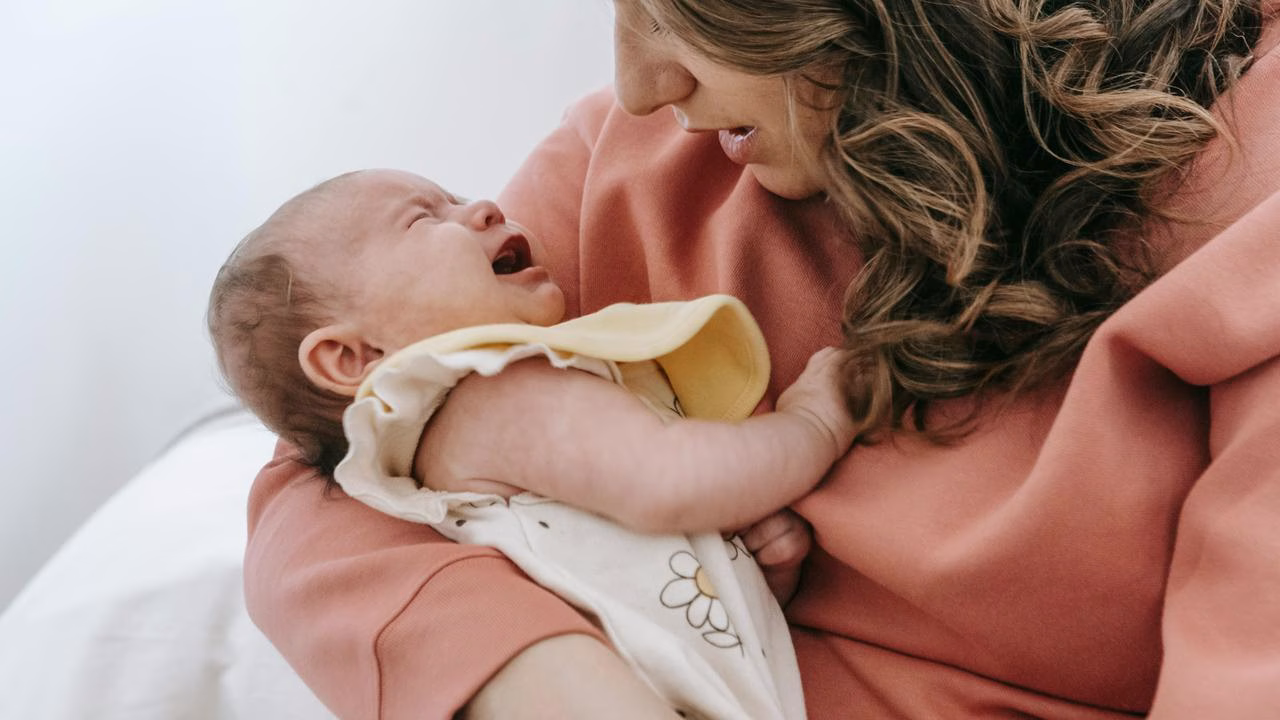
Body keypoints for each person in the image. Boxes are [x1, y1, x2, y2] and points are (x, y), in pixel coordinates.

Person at [242, 0, 1280, 718]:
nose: (638, 85)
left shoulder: (1246, 173)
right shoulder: (643, 158)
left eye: (677, 11)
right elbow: (325, 466)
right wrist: (537, 674)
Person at [209, 168, 857, 719]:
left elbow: (625, 580)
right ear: (351, 356)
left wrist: (746, 574)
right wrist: (812, 428)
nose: (484, 207)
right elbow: (671, 484)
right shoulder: (493, 393)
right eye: (424, 220)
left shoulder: (476, 431)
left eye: (458, 197)